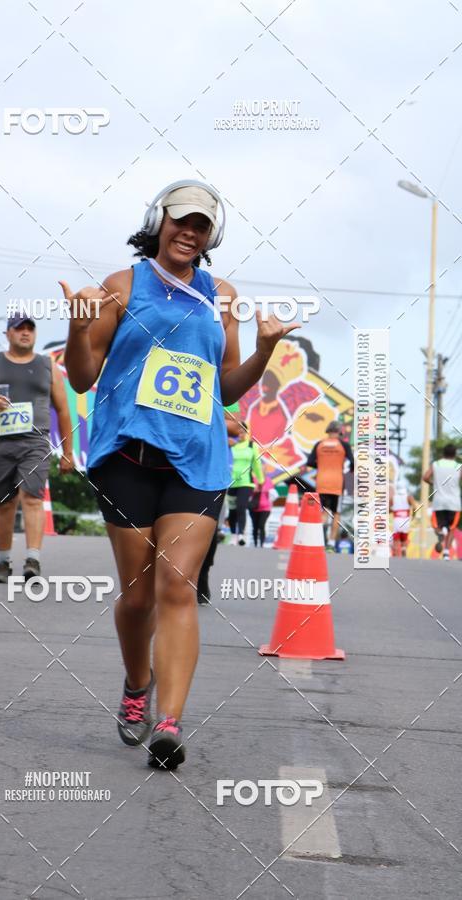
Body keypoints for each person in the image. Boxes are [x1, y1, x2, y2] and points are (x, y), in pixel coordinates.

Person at [62, 179, 299, 769]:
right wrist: (77, 326)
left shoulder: (222, 296)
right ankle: (136, 684)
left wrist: (264, 351)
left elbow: (226, 387)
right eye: (181, 221)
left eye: (201, 226)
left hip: (196, 461)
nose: (190, 233)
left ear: (211, 237)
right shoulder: (122, 286)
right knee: (138, 595)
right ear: (159, 222)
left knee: (176, 585)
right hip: (128, 457)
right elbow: (82, 378)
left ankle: (169, 721)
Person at [0, 313, 74, 582]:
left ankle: (32, 560)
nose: (25, 333)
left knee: (32, 497)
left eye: (30, 329)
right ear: (8, 334)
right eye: (18, 329)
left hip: (35, 443)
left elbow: (63, 411)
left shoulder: (48, 366)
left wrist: (68, 453)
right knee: (4, 504)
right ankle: (3, 562)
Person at [197, 405, 242, 605]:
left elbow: (235, 427)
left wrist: (198, 415)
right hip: (170, 463)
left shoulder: (218, 387)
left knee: (209, 527)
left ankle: (202, 572)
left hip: (211, 470)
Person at [303, 420, 354, 551]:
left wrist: (321, 465)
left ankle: (319, 541)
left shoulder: (319, 444)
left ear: (328, 431)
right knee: (336, 513)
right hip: (337, 484)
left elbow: (309, 462)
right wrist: (350, 469)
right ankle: (331, 543)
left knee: (324, 512)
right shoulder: (344, 445)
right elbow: (353, 462)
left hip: (321, 483)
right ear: (340, 432)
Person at [423, 444, 461, 560]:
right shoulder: (458, 466)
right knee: (452, 528)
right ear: (454, 454)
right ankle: (446, 552)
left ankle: (441, 532)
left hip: (438, 501)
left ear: (443, 453)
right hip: (454, 502)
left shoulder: (436, 464)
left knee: (437, 526)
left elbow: (425, 477)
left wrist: (433, 484)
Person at [227, 423, 263, 545]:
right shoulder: (232, 445)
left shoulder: (252, 445)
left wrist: (261, 481)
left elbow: (256, 464)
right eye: (239, 432)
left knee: (241, 507)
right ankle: (233, 535)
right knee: (232, 510)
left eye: (243, 431)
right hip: (231, 482)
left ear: (247, 432)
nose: (241, 434)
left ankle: (241, 535)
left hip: (246, 483)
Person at [248, 463, 275, 548]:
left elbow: (273, 494)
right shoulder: (254, 480)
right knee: (255, 526)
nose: (262, 471)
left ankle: (262, 544)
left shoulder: (269, 481)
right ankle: (255, 543)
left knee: (261, 525)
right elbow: (248, 492)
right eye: (260, 469)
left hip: (265, 508)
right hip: (254, 507)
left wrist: (266, 491)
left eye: (264, 469)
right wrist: (253, 490)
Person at [390, 479, 416, 558]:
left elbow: (388, 508)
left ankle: (396, 552)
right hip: (406, 519)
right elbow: (415, 507)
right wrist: (413, 515)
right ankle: (404, 549)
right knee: (404, 537)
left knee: (396, 538)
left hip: (397, 519)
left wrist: (394, 510)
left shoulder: (393, 498)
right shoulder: (409, 497)